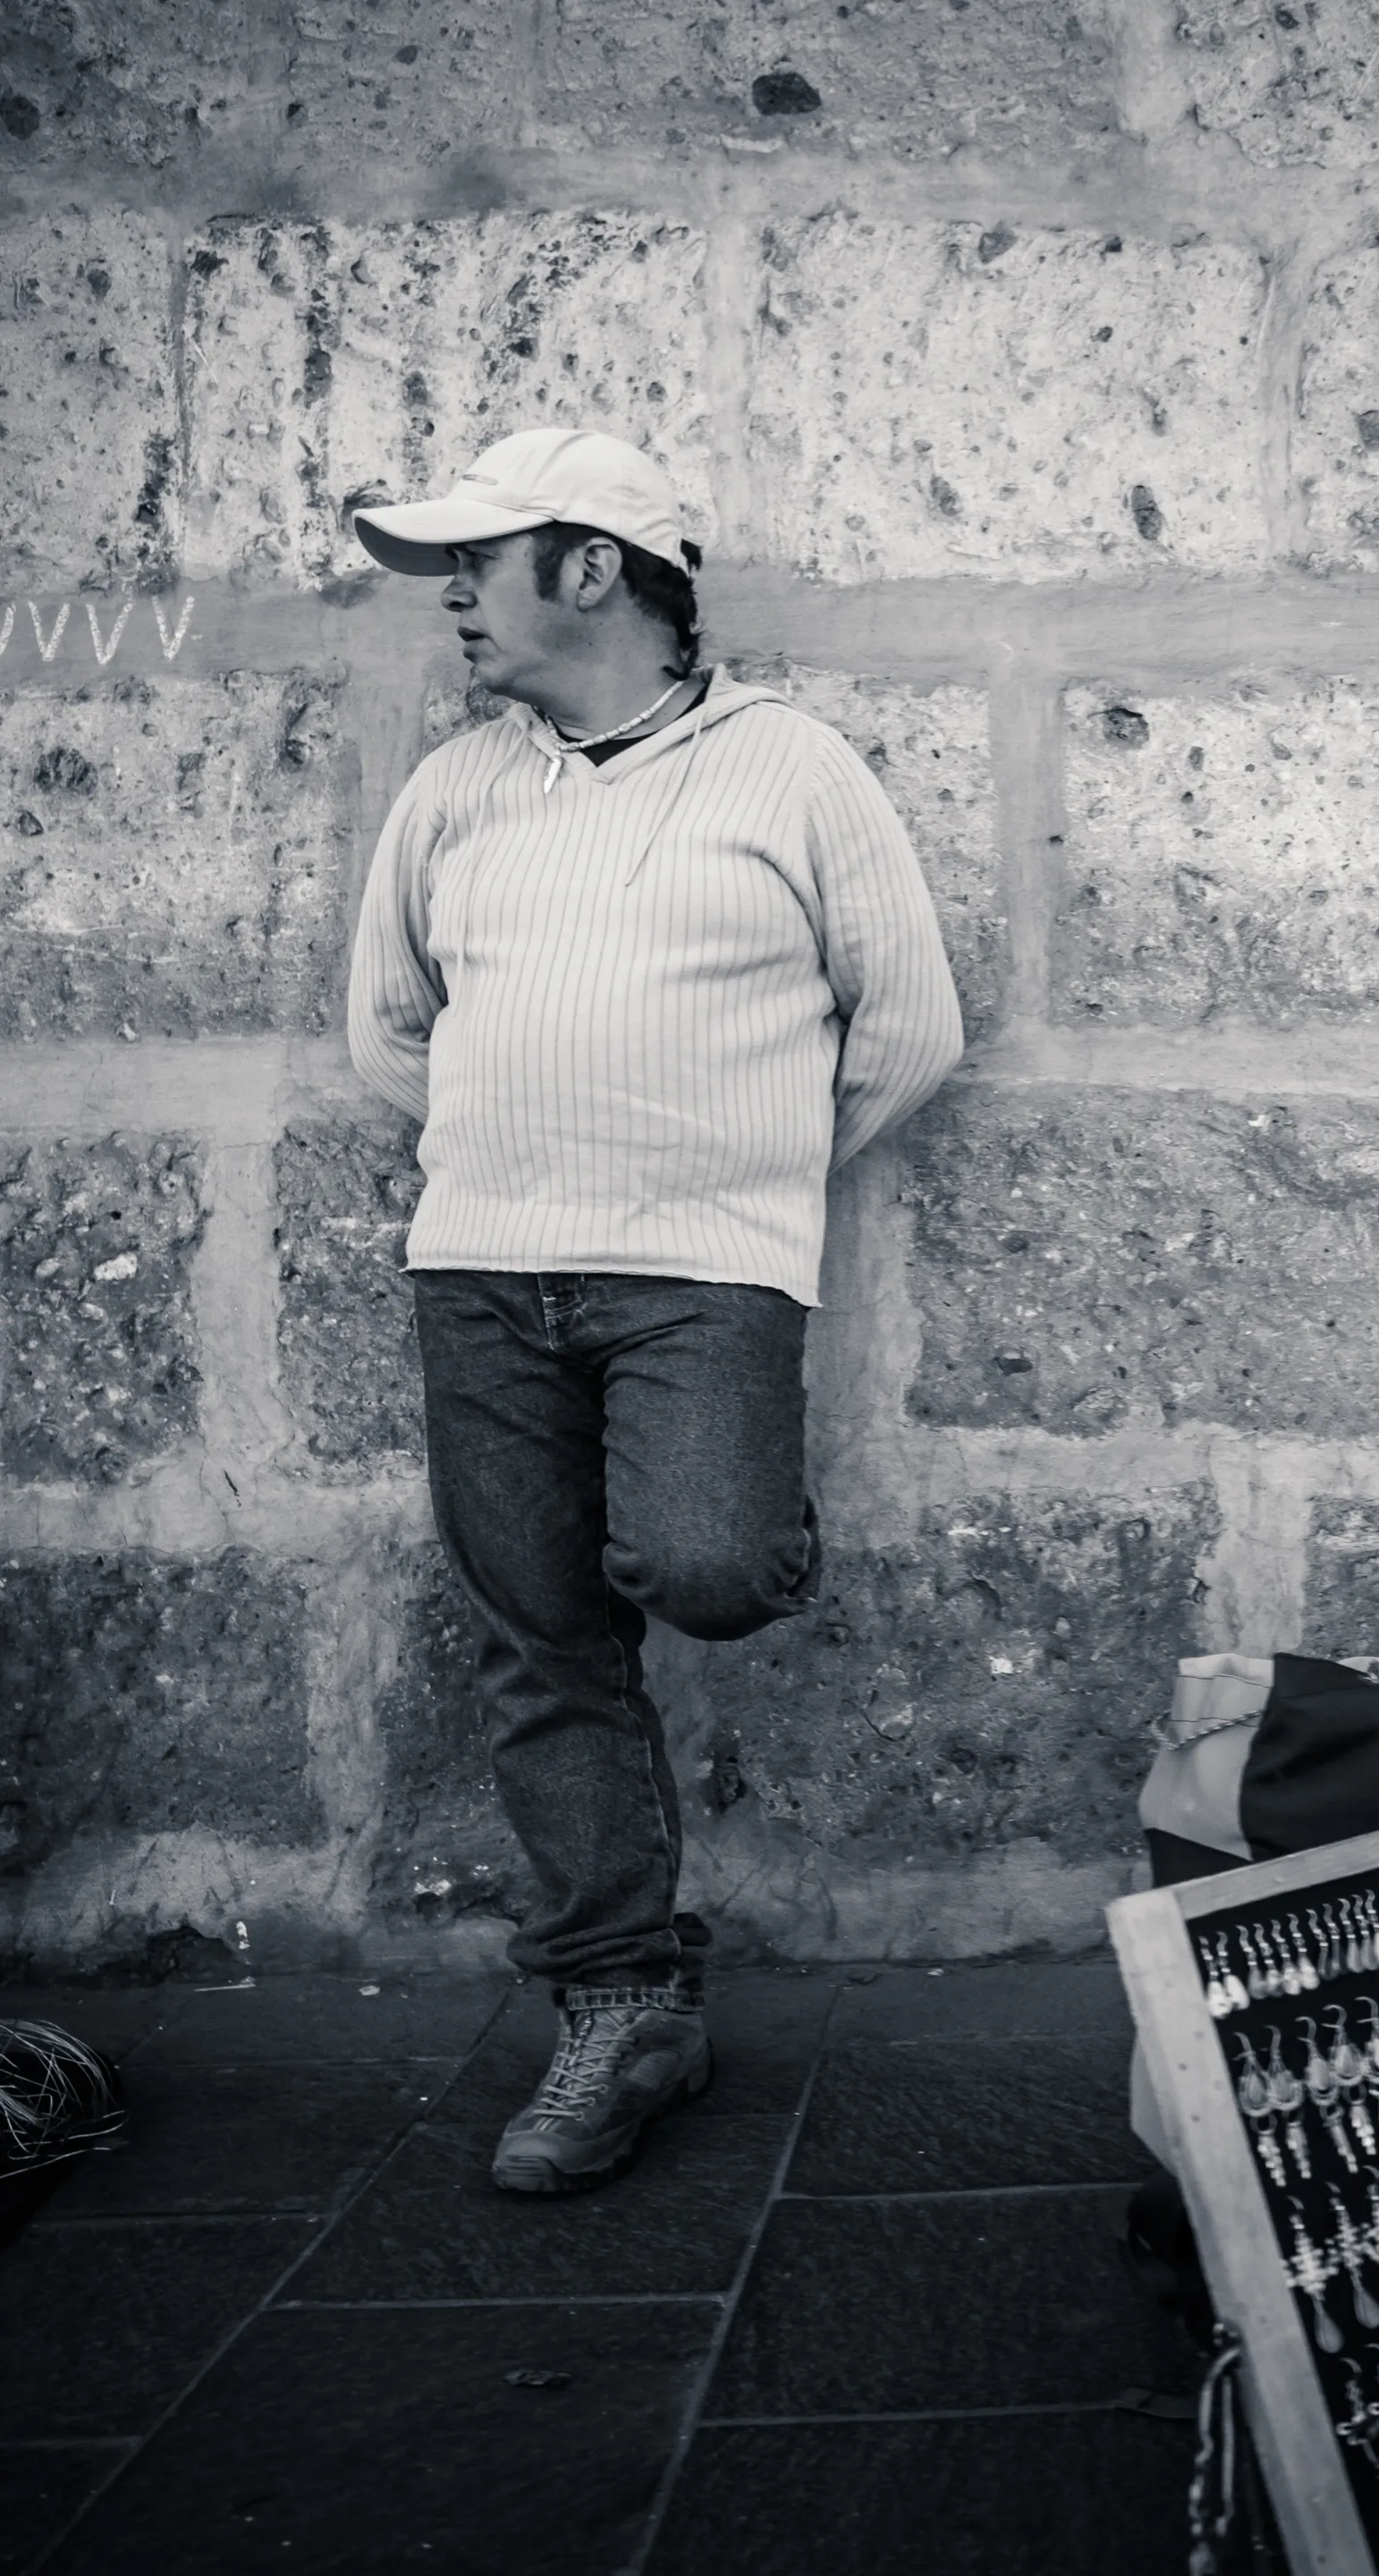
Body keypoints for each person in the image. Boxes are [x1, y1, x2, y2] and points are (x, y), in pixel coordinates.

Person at [346, 426, 963, 2193]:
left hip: (703, 1277)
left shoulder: (793, 774)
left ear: (598, 567)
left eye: (483, 560)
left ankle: (734, 1517)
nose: (455, 597)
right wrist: (513, 1151)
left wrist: (730, 1168)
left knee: (707, 1565)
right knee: (544, 1645)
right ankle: (622, 2011)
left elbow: (911, 1030)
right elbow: (385, 1027)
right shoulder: (460, 788)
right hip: (479, 1275)